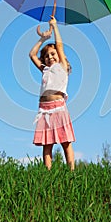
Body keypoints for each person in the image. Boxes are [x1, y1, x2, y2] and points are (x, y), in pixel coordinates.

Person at [29, 16, 75, 170]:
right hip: (44, 110)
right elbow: (32, 55)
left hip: (59, 107)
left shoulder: (61, 66)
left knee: (65, 142)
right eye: (47, 56)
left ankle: (72, 172)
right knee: (47, 144)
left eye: (53, 54)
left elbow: (60, 46)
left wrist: (55, 27)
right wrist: (42, 39)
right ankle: (47, 173)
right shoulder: (45, 69)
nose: (50, 57)